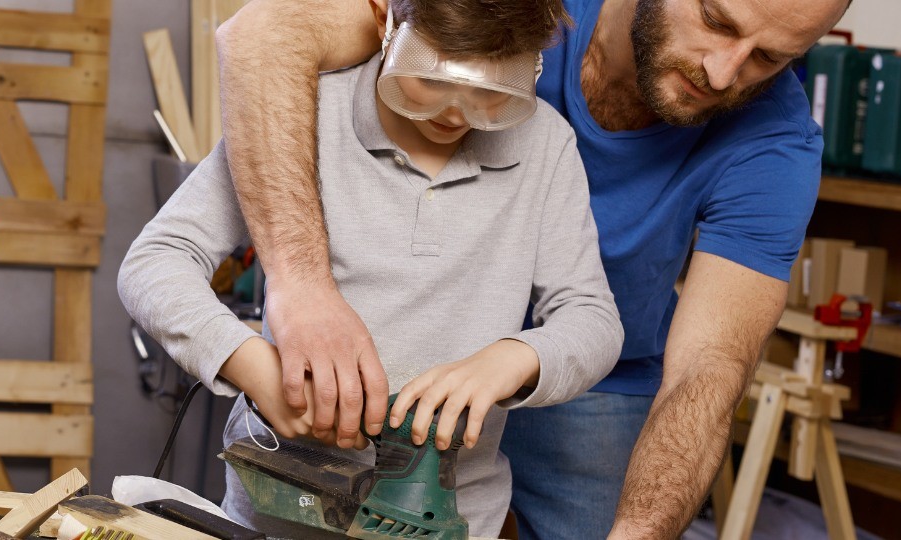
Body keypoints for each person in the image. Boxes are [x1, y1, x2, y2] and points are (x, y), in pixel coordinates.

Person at [213, 0, 850, 536]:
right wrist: (302, 291)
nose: (722, 72)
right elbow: (262, 36)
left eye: (770, 58)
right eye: (717, 19)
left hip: (599, 376)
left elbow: (709, 369)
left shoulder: (776, 147)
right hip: (409, 359)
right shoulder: (513, 8)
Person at [119, 0, 622, 535]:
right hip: (279, 511)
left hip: (457, 517)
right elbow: (155, 260)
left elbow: (592, 316)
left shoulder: (544, 144)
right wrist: (249, 365)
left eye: (492, 89)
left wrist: (515, 358)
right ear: (386, 20)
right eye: (432, 78)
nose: (457, 112)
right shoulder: (296, 115)